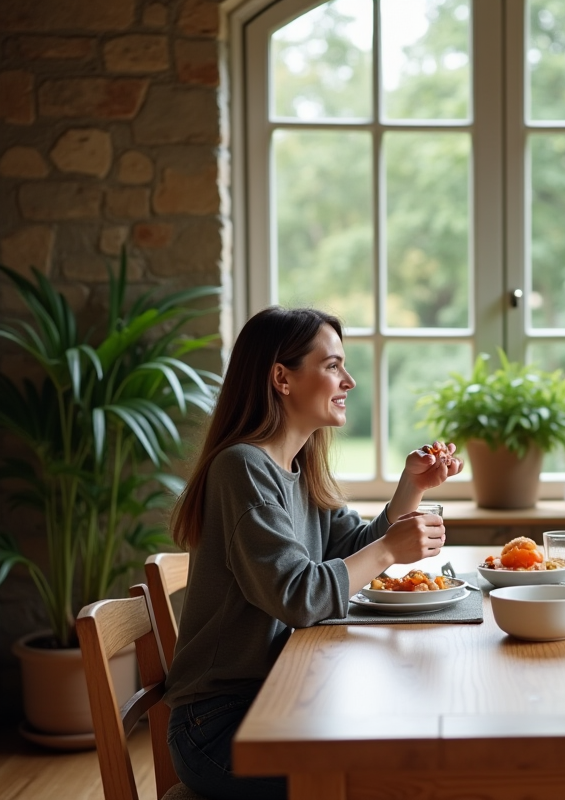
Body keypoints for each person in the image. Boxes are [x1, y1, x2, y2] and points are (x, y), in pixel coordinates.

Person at [163, 307, 462, 800]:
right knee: (384, 781)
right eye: (332, 366)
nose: (350, 382)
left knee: (400, 753)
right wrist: (390, 549)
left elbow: (350, 554)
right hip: (218, 725)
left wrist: (411, 488)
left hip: (279, 698)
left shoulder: (297, 468)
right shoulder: (242, 468)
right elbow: (300, 595)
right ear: (282, 377)